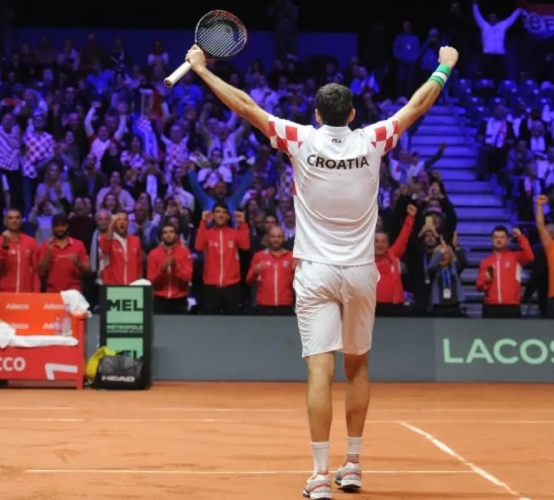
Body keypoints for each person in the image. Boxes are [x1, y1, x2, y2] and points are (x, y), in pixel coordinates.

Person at [184, 43, 459, 498]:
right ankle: (352, 464)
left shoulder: (300, 140)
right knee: (358, 368)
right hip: (360, 271)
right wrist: (444, 67)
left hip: (314, 272)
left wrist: (201, 70)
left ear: (316, 114)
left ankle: (318, 475)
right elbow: (417, 104)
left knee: (319, 372)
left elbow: (245, 105)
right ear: (352, 114)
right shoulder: (373, 139)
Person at [194, 203, 250, 315]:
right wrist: (203, 222)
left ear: (228, 216)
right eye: (218, 212)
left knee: (233, 323)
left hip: (231, 286)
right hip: (210, 286)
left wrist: (242, 223)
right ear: (212, 215)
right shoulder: (207, 234)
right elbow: (198, 246)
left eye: (224, 212)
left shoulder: (235, 234)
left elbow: (245, 245)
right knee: (209, 322)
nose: (221, 215)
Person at [476, 226, 534, 318]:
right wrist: (486, 280)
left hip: (512, 306)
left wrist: (520, 237)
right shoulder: (485, 262)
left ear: (508, 240)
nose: (499, 240)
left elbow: (530, 256)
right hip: (491, 307)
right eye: (496, 237)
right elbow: (479, 286)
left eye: (502, 237)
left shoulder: (515, 257)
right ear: (491, 240)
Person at [374, 204, 416, 316]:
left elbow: (404, 236)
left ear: (388, 244)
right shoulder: (364, 259)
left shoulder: (393, 254)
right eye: (376, 241)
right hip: (370, 307)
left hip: (394, 308)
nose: (380, 244)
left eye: (383, 241)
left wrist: (410, 218)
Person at [246, 225, 295, 315]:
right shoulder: (259, 256)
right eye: (273, 236)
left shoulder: (291, 257)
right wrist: (255, 273)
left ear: (284, 238)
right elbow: (249, 280)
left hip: (285, 306)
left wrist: (296, 272)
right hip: (263, 307)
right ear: (268, 238)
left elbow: (300, 283)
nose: (276, 240)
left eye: (279, 237)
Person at [147, 221, 193, 314]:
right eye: (165, 232)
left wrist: (175, 268)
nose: (168, 235)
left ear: (176, 235)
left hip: (179, 299)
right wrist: (162, 270)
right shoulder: (153, 254)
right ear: (161, 236)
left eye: (171, 232)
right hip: (160, 299)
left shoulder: (185, 252)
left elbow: (188, 276)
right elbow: (151, 280)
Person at [37, 214, 91, 293]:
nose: (60, 229)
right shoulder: (45, 245)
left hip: (74, 293)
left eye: (63, 225)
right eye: (57, 226)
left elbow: (88, 271)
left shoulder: (78, 244)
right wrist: (48, 253)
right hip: (52, 293)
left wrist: (78, 263)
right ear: (52, 228)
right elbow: (41, 272)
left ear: (67, 226)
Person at [0, 208, 40, 293]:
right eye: (10, 218)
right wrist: (5, 246)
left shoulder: (31, 242)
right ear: (5, 221)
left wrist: (36, 292)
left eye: (17, 218)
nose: (14, 220)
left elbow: (36, 271)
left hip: (26, 293)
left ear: (21, 221)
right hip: (4, 293)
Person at [99, 210, 143, 285]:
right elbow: (105, 249)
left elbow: (139, 266)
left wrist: (139, 284)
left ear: (128, 222)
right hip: (113, 287)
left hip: (132, 286)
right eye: (118, 219)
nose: (122, 222)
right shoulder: (104, 238)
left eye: (124, 219)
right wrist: (111, 224)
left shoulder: (135, 240)